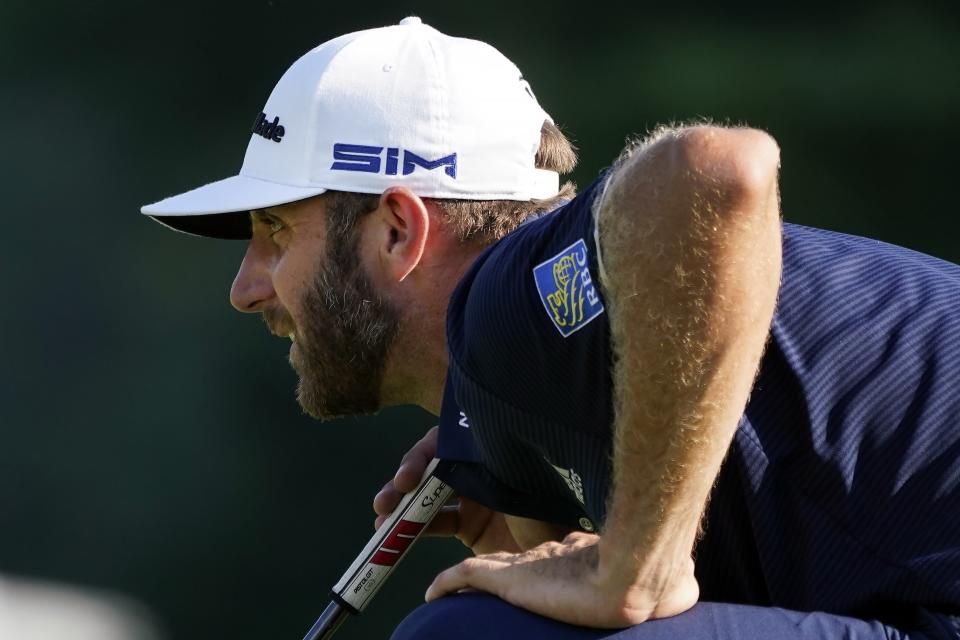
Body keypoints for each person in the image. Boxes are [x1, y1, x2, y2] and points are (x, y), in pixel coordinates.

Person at [141, 17, 960, 640]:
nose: (246, 289)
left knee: (466, 636)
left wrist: (630, 566)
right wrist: (551, 495)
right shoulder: (523, 374)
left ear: (399, 229)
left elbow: (714, 170)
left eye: (277, 231)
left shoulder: (505, 300)